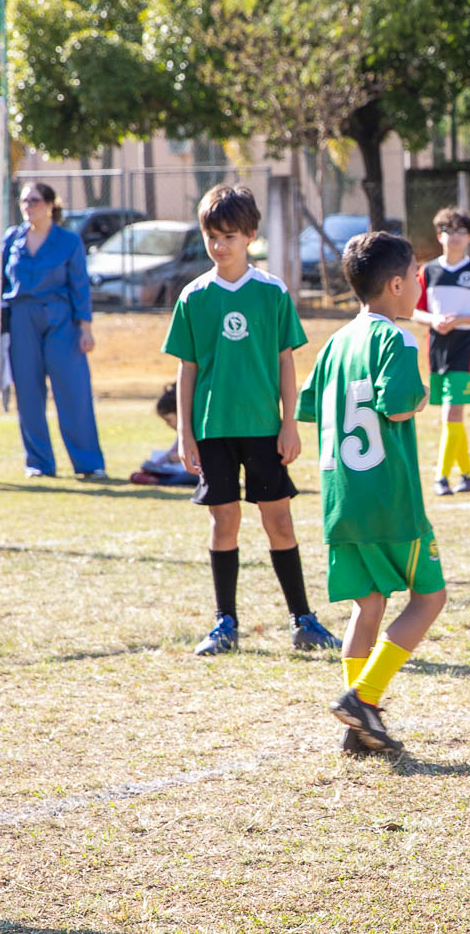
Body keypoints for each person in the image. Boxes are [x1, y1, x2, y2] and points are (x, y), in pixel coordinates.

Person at [165, 183, 336, 658]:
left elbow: (285, 361)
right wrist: (185, 432)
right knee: (224, 521)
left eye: (230, 237)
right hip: (213, 429)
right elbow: (187, 368)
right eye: (212, 237)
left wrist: (290, 424)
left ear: (250, 237)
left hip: (263, 428)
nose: (220, 246)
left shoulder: (271, 291)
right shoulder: (194, 296)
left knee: (278, 519)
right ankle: (225, 623)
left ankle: (303, 620)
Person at [300, 231, 448, 757]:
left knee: (369, 605)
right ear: (396, 285)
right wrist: (422, 395)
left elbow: (310, 407)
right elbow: (400, 405)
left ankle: (356, 728)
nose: (420, 287)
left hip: (340, 499)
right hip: (388, 500)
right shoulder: (397, 339)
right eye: (416, 277)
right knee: (430, 597)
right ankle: (363, 698)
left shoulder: (336, 342)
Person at [1, 182, 107, 480]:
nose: (28, 206)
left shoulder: (68, 241)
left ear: (49, 205)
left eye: (34, 201)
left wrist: (85, 328)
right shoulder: (12, 239)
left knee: (73, 390)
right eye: (24, 201)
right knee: (28, 393)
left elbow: (80, 286)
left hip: (61, 320)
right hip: (22, 319)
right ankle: (39, 463)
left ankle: (89, 463)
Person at [413, 208, 470, 496]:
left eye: (461, 231)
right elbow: (415, 311)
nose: (455, 237)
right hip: (437, 350)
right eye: (449, 231)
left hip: (465, 350)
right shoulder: (427, 271)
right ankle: (466, 476)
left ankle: (441, 477)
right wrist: (434, 320)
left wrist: (461, 319)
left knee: (451, 413)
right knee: (451, 416)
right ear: (439, 236)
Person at [129, 383, 201, 488]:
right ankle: (155, 476)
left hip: (196, 470)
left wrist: (181, 457)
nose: (168, 424)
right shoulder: (182, 433)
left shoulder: (197, 429)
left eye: (168, 420)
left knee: (191, 476)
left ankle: (158, 481)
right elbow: (172, 453)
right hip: (179, 469)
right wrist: (155, 465)